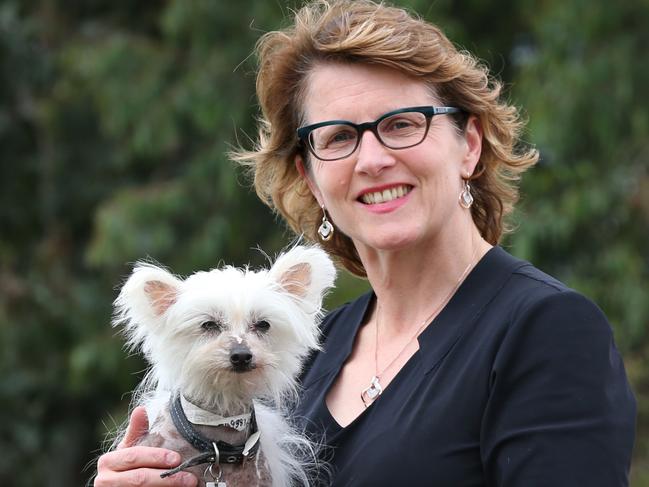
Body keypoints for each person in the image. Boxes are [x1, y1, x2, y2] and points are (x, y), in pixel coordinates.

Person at [94, 1, 636, 485]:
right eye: (340, 137)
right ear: (312, 179)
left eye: (403, 124)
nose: (372, 160)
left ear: (468, 146)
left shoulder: (545, 329)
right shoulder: (306, 347)